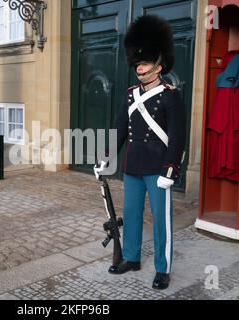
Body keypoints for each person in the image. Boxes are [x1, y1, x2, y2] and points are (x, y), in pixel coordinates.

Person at [94, 15, 186, 290]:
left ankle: (163, 268)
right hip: (133, 167)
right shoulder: (131, 95)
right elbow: (119, 130)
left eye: (144, 63)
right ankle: (131, 258)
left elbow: (178, 137)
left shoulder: (171, 96)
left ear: (159, 65)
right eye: (137, 63)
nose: (140, 67)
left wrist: (171, 170)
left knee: (161, 222)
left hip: (158, 169)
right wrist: (105, 158)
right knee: (132, 215)